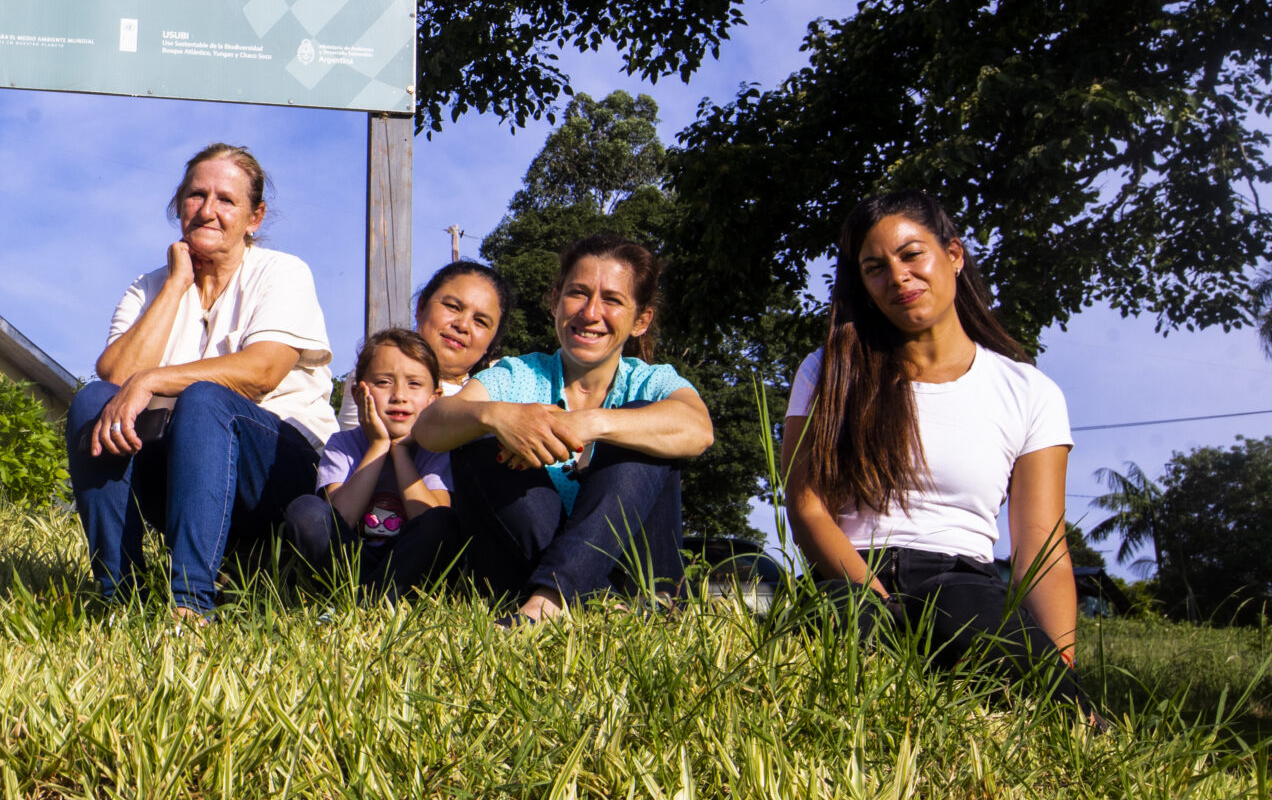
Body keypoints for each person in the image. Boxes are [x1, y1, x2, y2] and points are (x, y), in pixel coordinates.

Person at [780, 190, 1085, 696]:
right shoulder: (829, 371)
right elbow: (808, 506)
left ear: (954, 255)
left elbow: (1041, 546)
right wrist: (875, 605)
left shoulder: (1029, 391)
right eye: (874, 267)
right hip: (850, 574)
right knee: (838, 651)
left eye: (911, 254)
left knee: (979, 628)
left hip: (961, 579)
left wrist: (1060, 666)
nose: (897, 276)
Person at [69, 144, 337, 618]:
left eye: (226, 200)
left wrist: (153, 379)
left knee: (207, 400)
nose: (208, 210)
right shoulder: (150, 286)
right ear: (178, 206)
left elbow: (261, 373)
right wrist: (176, 285)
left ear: (255, 217)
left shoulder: (283, 273)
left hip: (278, 468)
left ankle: (191, 603)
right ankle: (117, 597)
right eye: (195, 196)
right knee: (93, 401)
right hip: (180, 466)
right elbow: (112, 376)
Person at [411, 233, 713, 623]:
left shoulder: (651, 381)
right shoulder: (518, 375)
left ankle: (554, 601)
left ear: (641, 321)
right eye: (578, 293)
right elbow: (431, 427)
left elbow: (698, 429)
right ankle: (586, 601)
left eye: (612, 300)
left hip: (637, 577)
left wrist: (591, 424)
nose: (590, 313)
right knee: (477, 439)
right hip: (527, 567)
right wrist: (497, 416)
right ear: (555, 301)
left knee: (641, 425)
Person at [286, 261, 514, 587]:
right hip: (353, 556)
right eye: (452, 306)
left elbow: (435, 520)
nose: (399, 396)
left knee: (440, 523)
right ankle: (368, 597)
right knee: (306, 509)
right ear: (420, 307)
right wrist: (381, 444)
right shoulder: (354, 425)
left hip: (413, 558)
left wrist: (404, 450)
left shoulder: (484, 400)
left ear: (433, 398)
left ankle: (372, 601)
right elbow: (339, 520)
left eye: (480, 321)